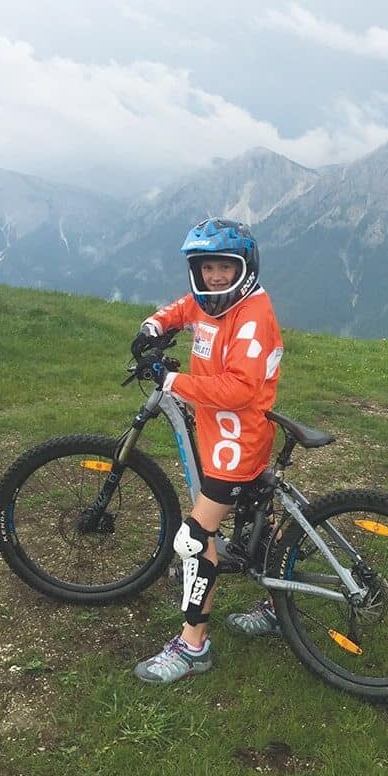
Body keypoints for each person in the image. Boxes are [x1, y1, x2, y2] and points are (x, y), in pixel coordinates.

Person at [132, 217, 285, 684]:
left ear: (244, 268)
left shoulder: (252, 314)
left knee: (196, 539)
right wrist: (153, 326)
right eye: (206, 267)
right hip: (220, 433)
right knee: (257, 524)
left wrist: (172, 380)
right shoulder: (210, 301)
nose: (214, 276)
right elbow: (184, 309)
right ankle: (281, 604)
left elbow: (238, 389)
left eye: (224, 266)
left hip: (238, 441)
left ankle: (192, 646)